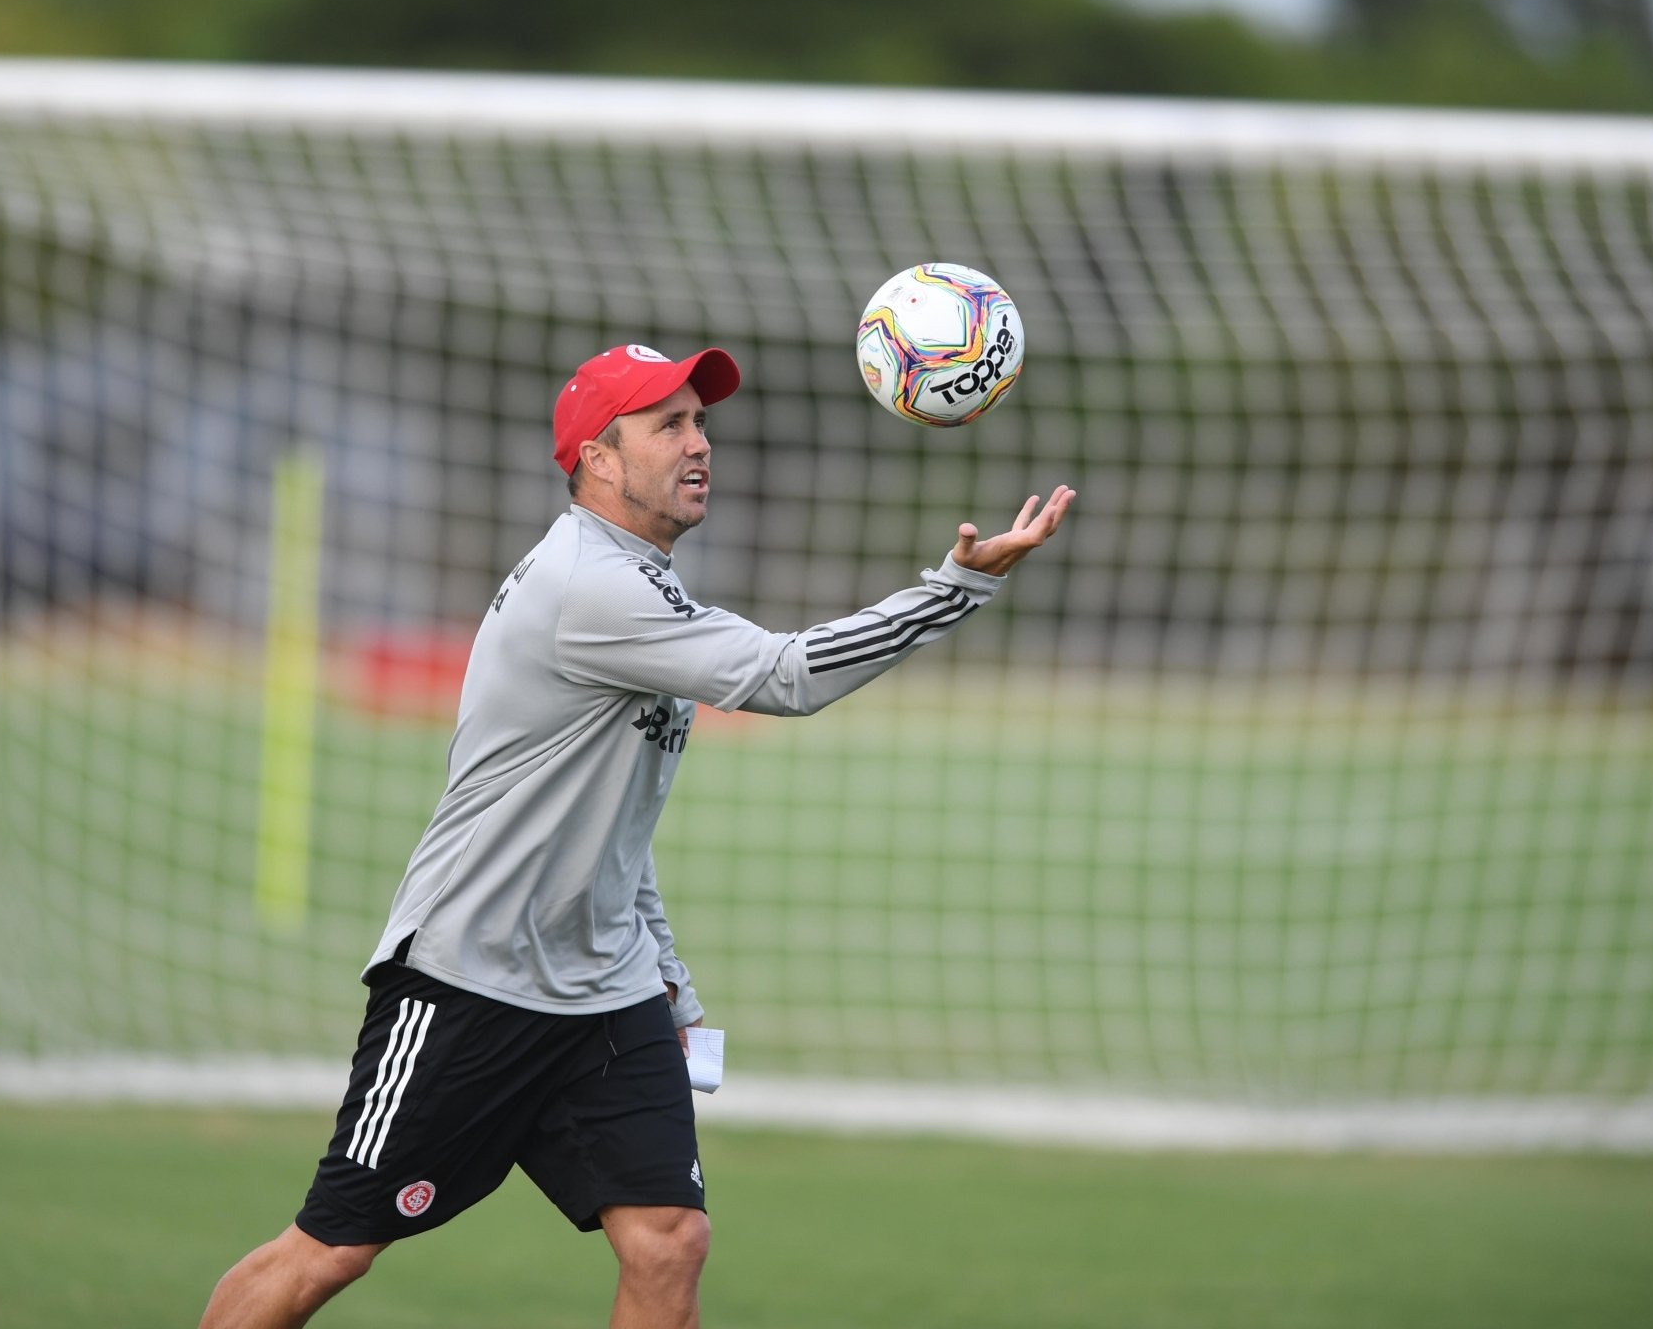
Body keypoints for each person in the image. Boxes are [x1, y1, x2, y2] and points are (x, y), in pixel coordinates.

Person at [198, 344, 1074, 1329]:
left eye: (701, 423)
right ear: (597, 459)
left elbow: (616, 822)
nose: (700, 445)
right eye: (670, 425)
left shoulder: (640, 585)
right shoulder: (589, 586)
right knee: (331, 1250)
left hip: (601, 986)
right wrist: (954, 584)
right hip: (469, 977)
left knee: (669, 1237)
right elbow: (785, 676)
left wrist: (665, 974)